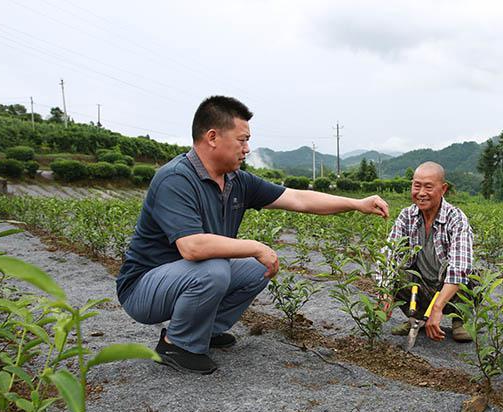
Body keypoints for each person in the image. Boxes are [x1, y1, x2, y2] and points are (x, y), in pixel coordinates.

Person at [116, 95, 388, 375]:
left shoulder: (236, 180)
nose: (247, 148)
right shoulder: (175, 179)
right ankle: (177, 344)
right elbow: (192, 247)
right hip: (142, 289)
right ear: (212, 137)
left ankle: (205, 331)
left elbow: (298, 199)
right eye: (242, 140)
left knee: (256, 268)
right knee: (215, 268)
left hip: (184, 278)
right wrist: (255, 246)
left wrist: (356, 204)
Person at [386, 161, 474, 343]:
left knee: (472, 276)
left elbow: (459, 269)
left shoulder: (456, 218)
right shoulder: (406, 216)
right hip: (423, 285)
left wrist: (437, 307)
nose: (421, 193)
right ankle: (416, 319)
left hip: (449, 288)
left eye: (428, 187)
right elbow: (389, 255)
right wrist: (385, 292)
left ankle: (460, 319)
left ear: (443, 189)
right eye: (416, 185)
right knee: (398, 274)